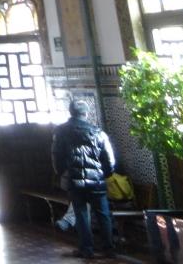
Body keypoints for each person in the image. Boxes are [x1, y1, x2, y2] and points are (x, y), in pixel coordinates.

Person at [52, 99, 116, 259]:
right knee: (103, 215)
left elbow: (57, 156)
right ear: (86, 113)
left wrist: (63, 173)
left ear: (70, 112)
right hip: (97, 181)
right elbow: (109, 159)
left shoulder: (61, 131)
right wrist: (105, 174)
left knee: (81, 215)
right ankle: (109, 249)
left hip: (75, 181)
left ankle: (86, 249)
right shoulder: (98, 132)